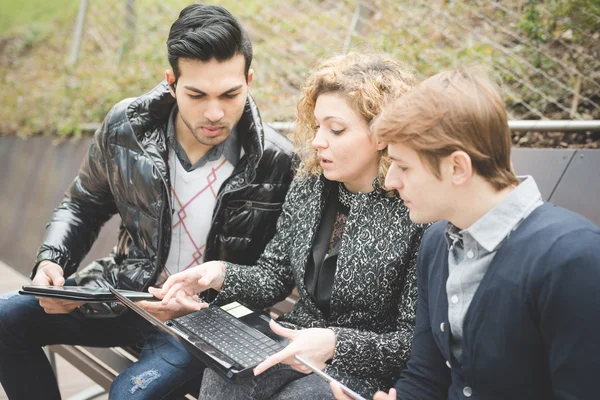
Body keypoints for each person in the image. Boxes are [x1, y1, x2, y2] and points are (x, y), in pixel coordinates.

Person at [0, 4, 295, 400]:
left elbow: (278, 274)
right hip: (125, 294)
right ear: (171, 83)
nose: (214, 112)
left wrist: (208, 296)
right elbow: (83, 205)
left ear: (249, 80)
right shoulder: (128, 127)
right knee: (5, 321)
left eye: (230, 94)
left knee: (129, 394)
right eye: (196, 94)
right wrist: (53, 261)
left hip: (205, 321)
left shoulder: (276, 161)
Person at [156, 53, 427, 400]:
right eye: (317, 127)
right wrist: (217, 274)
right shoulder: (311, 183)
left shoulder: (415, 206)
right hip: (293, 337)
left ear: (381, 133)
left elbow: (413, 339)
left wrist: (336, 343)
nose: (318, 142)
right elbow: (274, 274)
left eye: (336, 129)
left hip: (365, 366)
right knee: (226, 376)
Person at [333, 66, 600, 400]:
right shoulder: (436, 243)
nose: (390, 181)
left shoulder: (572, 258)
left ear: (457, 167)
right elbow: (426, 376)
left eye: (403, 166)